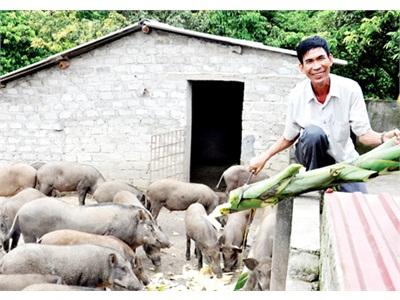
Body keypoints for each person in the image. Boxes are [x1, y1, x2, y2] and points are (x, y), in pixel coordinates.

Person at [249, 35, 400, 193]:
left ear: (330, 59)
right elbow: (289, 137)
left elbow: (363, 134)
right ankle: (316, 184)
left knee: (359, 200)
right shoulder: (296, 95)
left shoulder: (350, 89)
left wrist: (383, 138)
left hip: (344, 162)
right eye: (309, 61)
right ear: (301, 67)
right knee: (313, 134)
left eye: (321, 58)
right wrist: (264, 157)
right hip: (312, 163)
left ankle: (332, 184)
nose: (317, 66)